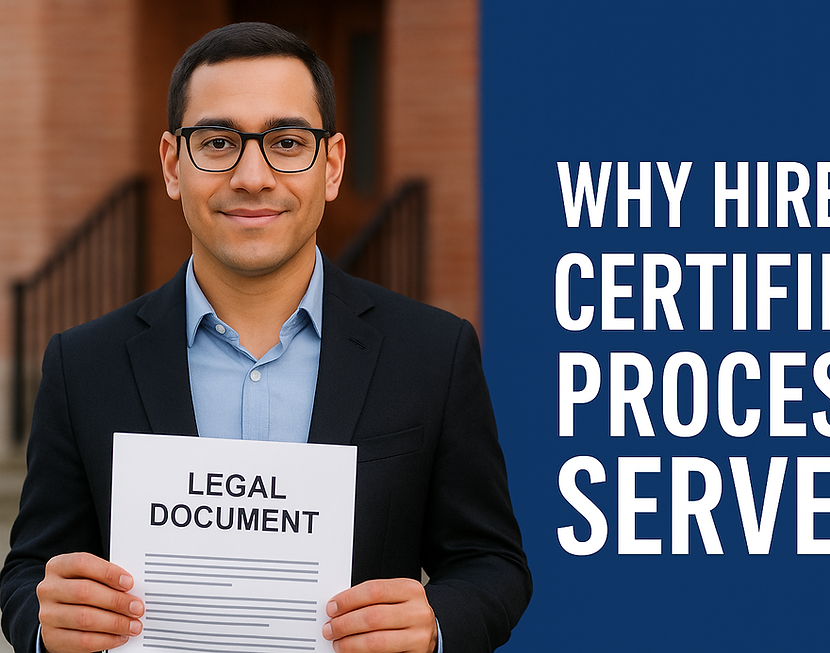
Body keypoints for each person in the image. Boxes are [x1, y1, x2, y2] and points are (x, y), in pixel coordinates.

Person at [0, 22, 531, 653]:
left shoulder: (433, 354)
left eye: (286, 141)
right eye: (219, 141)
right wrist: (44, 621)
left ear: (331, 165)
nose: (253, 176)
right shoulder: (83, 364)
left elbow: (493, 563)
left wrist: (438, 623)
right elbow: (27, 573)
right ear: (173, 164)